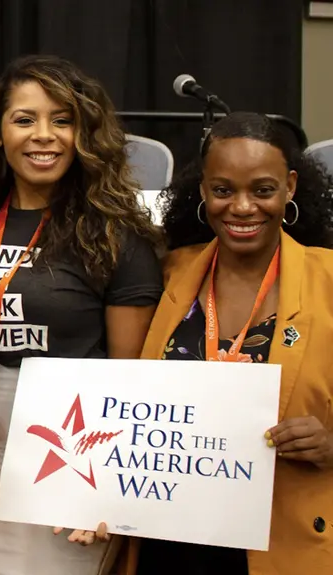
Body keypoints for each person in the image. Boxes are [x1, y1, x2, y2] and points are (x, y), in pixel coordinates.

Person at [0, 54, 165, 575]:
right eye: (25, 119)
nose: (43, 135)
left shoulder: (116, 236)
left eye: (62, 120)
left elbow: (131, 379)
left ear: (85, 132)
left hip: (67, 467)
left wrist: (107, 486)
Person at [119, 112, 333, 574]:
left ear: (290, 187)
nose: (241, 207)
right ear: (202, 191)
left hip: (282, 537)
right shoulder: (166, 272)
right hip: (168, 536)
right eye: (223, 190)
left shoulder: (330, 281)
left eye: (262, 190)